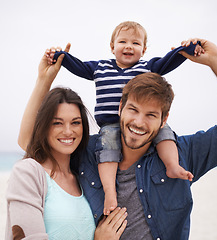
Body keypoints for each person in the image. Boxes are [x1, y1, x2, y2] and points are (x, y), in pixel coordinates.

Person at [19, 38, 217, 240]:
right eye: (133, 110)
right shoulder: (89, 152)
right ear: (120, 108)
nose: (138, 122)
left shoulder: (182, 154)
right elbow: (31, 142)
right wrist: (44, 80)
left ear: (164, 118)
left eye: (151, 115)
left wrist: (216, 61)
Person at [48, 21, 201, 215]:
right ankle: (110, 192)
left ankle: (172, 166)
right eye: (122, 41)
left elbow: (170, 60)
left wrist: (187, 48)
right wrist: (61, 56)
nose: (129, 46)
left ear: (144, 50)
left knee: (165, 132)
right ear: (112, 47)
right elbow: (78, 66)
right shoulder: (100, 67)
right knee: (107, 150)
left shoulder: (148, 67)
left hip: (143, 122)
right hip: (111, 124)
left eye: (136, 43)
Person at [5, 51, 127, 240]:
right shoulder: (29, 172)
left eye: (76, 122)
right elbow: (26, 140)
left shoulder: (84, 174)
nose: (68, 131)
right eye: (57, 123)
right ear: (44, 126)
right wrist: (44, 80)